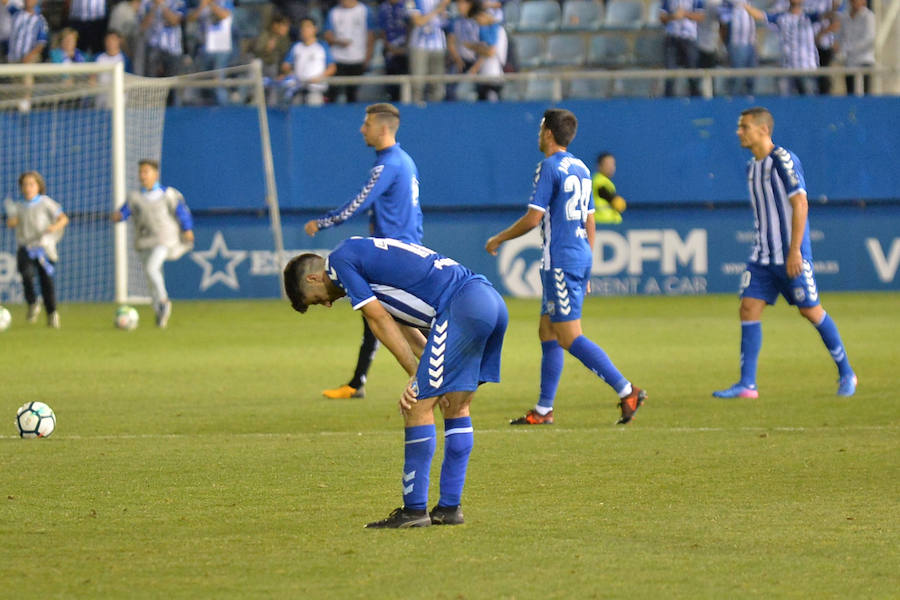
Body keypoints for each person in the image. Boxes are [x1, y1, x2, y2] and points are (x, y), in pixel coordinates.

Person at [283, 236, 508, 528]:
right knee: (455, 405)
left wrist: (417, 376)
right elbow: (400, 321)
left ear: (314, 277)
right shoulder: (364, 255)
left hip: (462, 305)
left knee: (416, 405)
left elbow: (378, 321)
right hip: (489, 301)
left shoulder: (340, 262)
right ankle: (449, 508)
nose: (326, 304)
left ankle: (414, 511)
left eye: (317, 298)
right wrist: (424, 372)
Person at [485, 109, 648, 426]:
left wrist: (498, 238)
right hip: (577, 255)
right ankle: (544, 410)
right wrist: (587, 263)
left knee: (569, 336)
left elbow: (534, 218)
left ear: (548, 133)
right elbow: (590, 218)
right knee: (547, 331)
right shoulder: (582, 167)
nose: (538, 133)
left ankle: (627, 390)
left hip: (560, 259)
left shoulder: (549, 167)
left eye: (540, 128)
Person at [713, 107, 857, 399]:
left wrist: (795, 251)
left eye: (744, 127)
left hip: (791, 255)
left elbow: (801, 203)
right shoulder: (752, 167)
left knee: (810, 310)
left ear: (763, 130)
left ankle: (847, 373)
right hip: (762, 257)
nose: (739, 132)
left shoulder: (783, 160)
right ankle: (747, 385)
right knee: (748, 308)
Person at [304, 103, 424, 400]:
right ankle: (359, 381)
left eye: (366, 124)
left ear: (383, 129)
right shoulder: (405, 161)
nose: (362, 129)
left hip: (393, 255)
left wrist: (324, 222)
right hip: (406, 248)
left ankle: (439, 375)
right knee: (380, 316)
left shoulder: (388, 165)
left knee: (393, 320)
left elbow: (360, 201)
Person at [112, 159, 195, 328]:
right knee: (151, 278)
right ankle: (159, 312)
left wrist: (187, 229)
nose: (143, 175)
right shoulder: (135, 196)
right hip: (144, 241)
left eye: (146, 172)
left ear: (155, 174)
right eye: (141, 172)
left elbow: (181, 212)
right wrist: (119, 216)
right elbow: (125, 211)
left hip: (165, 239)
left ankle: (164, 302)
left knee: (152, 268)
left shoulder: (168, 194)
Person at [4, 171, 69, 328]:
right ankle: (33, 303)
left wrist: (54, 227)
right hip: (26, 247)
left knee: (47, 282)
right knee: (26, 275)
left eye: (31, 184)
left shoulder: (46, 203)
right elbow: (11, 221)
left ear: (39, 186)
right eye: (25, 184)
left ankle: (52, 314)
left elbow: (63, 218)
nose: (28, 188)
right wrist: (13, 221)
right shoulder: (19, 206)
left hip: (44, 249)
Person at [742, 0, 833, 96]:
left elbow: (830, 15)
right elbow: (760, 16)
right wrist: (742, 4)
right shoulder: (781, 17)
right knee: (786, 103)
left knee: (809, 101)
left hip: (806, 68)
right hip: (787, 69)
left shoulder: (809, 17)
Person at [323, 0, 376, 104]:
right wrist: (338, 42)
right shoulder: (334, 12)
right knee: (332, 93)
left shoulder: (365, 11)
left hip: (358, 59)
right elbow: (327, 35)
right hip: (338, 59)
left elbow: (371, 36)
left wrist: (368, 57)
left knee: (352, 95)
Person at [277, 16, 336, 106]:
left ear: (314, 29)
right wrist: (291, 74)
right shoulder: (296, 46)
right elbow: (286, 65)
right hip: (298, 88)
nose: (304, 30)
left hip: (315, 89)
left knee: (313, 112)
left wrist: (319, 78)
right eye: (302, 27)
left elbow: (332, 67)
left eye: (308, 26)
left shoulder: (322, 46)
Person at [186, 0, 233, 105]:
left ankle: (222, 110)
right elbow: (190, 18)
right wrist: (202, 6)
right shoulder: (202, 3)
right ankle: (204, 112)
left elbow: (225, 15)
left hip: (221, 48)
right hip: (204, 47)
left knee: (218, 82)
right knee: (203, 82)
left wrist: (210, 4)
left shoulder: (225, 1)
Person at [659, 0, 706, 97]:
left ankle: (696, 100)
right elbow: (662, 17)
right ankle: (668, 102)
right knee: (670, 73)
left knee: (693, 73)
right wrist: (673, 17)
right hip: (672, 38)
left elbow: (701, 16)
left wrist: (685, 14)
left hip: (689, 38)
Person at [407, 0, 451, 103]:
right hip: (419, 47)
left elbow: (446, 21)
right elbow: (418, 21)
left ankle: (435, 113)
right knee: (418, 85)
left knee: (437, 86)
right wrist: (437, 10)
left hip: (439, 46)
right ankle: (417, 112)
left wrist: (443, 9)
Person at [718, 0, 758, 95]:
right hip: (737, 43)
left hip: (751, 42)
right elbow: (723, 23)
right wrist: (726, 44)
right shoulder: (728, 2)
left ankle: (750, 100)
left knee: (751, 77)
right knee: (738, 77)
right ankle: (733, 101)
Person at [140, 0, 186, 80]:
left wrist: (161, 4)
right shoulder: (146, 2)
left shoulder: (178, 2)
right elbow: (143, 27)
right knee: (152, 85)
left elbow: (174, 21)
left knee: (172, 86)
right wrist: (154, 7)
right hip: (153, 48)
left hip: (173, 50)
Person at [839, 0, 875, 95]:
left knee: (865, 96)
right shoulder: (844, 17)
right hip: (849, 62)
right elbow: (841, 37)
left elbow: (869, 39)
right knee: (850, 94)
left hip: (864, 61)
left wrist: (849, 48)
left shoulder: (868, 16)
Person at [376, 0, 409, 102]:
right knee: (391, 80)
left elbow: (412, 26)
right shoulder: (383, 8)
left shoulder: (407, 5)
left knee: (406, 77)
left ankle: (406, 102)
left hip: (406, 49)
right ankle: (392, 99)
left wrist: (406, 47)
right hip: (390, 50)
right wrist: (389, 47)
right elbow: (381, 30)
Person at [4, 0, 48, 64]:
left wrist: (30, 56)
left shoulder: (41, 21)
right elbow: (5, 2)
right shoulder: (15, 12)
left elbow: (41, 43)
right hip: (12, 59)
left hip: (28, 61)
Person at [252, 14, 291, 80]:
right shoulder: (265, 35)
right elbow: (257, 52)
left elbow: (285, 57)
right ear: (275, 25)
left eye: (287, 26)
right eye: (284, 25)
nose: (287, 29)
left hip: (277, 70)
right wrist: (267, 49)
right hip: (263, 67)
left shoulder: (285, 39)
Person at [592, 152, 625, 225]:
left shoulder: (606, 181)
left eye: (613, 164)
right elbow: (617, 203)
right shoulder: (599, 181)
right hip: (603, 223)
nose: (611, 167)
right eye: (607, 164)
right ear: (599, 166)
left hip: (609, 223)